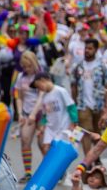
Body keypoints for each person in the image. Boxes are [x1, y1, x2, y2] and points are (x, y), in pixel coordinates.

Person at [69, 37, 107, 156]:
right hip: (83, 104)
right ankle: (87, 160)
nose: (87, 51)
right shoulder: (78, 67)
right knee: (86, 132)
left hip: (99, 104)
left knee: (97, 133)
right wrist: (74, 102)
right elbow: (73, 85)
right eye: (85, 48)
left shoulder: (102, 66)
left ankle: (95, 157)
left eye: (90, 48)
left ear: (96, 50)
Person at [27, 72, 76, 157]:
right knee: (46, 149)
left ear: (43, 80)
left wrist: (74, 122)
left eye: (39, 86)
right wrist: (42, 127)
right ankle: (52, 169)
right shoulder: (45, 97)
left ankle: (61, 169)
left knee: (58, 151)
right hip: (50, 128)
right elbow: (45, 115)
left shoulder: (60, 91)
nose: (39, 90)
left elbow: (71, 106)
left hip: (62, 126)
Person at [12, 50, 43, 180]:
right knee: (25, 140)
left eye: (29, 66)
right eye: (24, 66)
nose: (26, 69)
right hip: (26, 112)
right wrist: (20, 114)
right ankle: (28, 172)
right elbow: (18, 97)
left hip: (41, 113)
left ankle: (53, 171)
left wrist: (34, 114)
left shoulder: (41, 76)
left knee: (43, 145)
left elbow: (42, 96)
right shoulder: (21, 77)